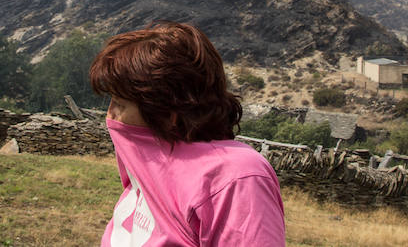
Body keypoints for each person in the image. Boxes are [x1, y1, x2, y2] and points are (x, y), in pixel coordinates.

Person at [90, 21, 286, 246]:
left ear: (166, 112)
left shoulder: (235, 179)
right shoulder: (147, 166)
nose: (110, 115)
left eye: (120, 104)